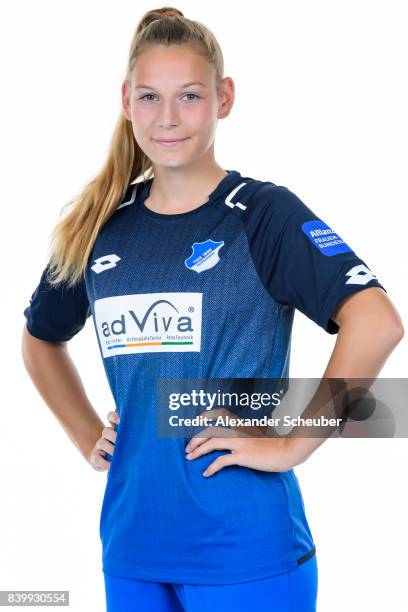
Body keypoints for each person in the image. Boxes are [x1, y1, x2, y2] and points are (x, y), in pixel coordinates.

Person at [21, 7, 404, 612]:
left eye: (189, 96)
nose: (167, 118)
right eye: (150, 96)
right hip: (132, 548)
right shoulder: (99, 229)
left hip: (245, 551)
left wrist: (292, 442)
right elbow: (40, 338)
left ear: (224, 98)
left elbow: (377, 321)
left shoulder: (262, 215)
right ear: (126, 101)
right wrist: (87, 432)